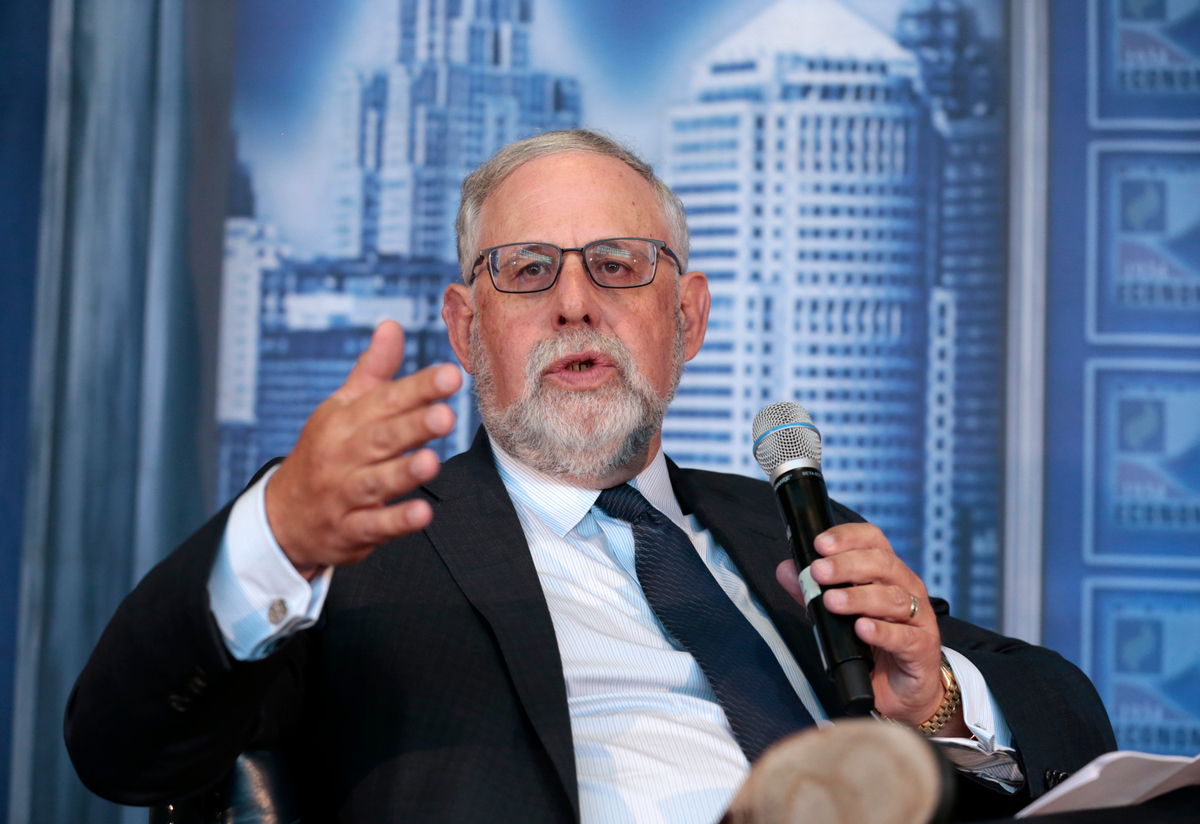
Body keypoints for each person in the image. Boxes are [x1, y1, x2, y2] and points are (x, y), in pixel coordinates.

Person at [66, 130, 1115, 823]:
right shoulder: (363, 541)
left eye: (617, 264)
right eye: (528, 270)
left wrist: (932, 693)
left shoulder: (785, 523)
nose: (574, 302)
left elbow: (1070, 721)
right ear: (466, 328)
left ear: (687, 318)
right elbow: (122, 745)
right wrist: (278, 528)